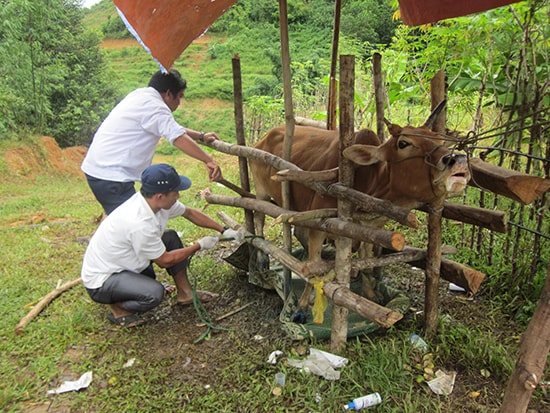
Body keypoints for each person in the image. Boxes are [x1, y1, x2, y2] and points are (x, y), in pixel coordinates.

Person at [81, 163, 242, 328]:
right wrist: (199, 245)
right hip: (104, 280)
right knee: (154, 294)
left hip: (127, 262)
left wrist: (223, 230)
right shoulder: (139, 222)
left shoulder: (156, 204)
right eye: (175, 192)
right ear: (160, 196)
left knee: (170, 237)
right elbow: (164, 260)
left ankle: (185, 293)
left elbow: (190, 213)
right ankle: (119, 309)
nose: (178, 196)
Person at [81, 69, 223, 215]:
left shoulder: (141, 95)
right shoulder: (155, 107)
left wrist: (200, 136)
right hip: (110, 176)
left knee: (132, 221)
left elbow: (172, 128)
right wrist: (208, 160)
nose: (179, 102)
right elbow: (177, 137)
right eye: (179, 96)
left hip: (103, 169)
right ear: (168, 94)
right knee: (134, 226)